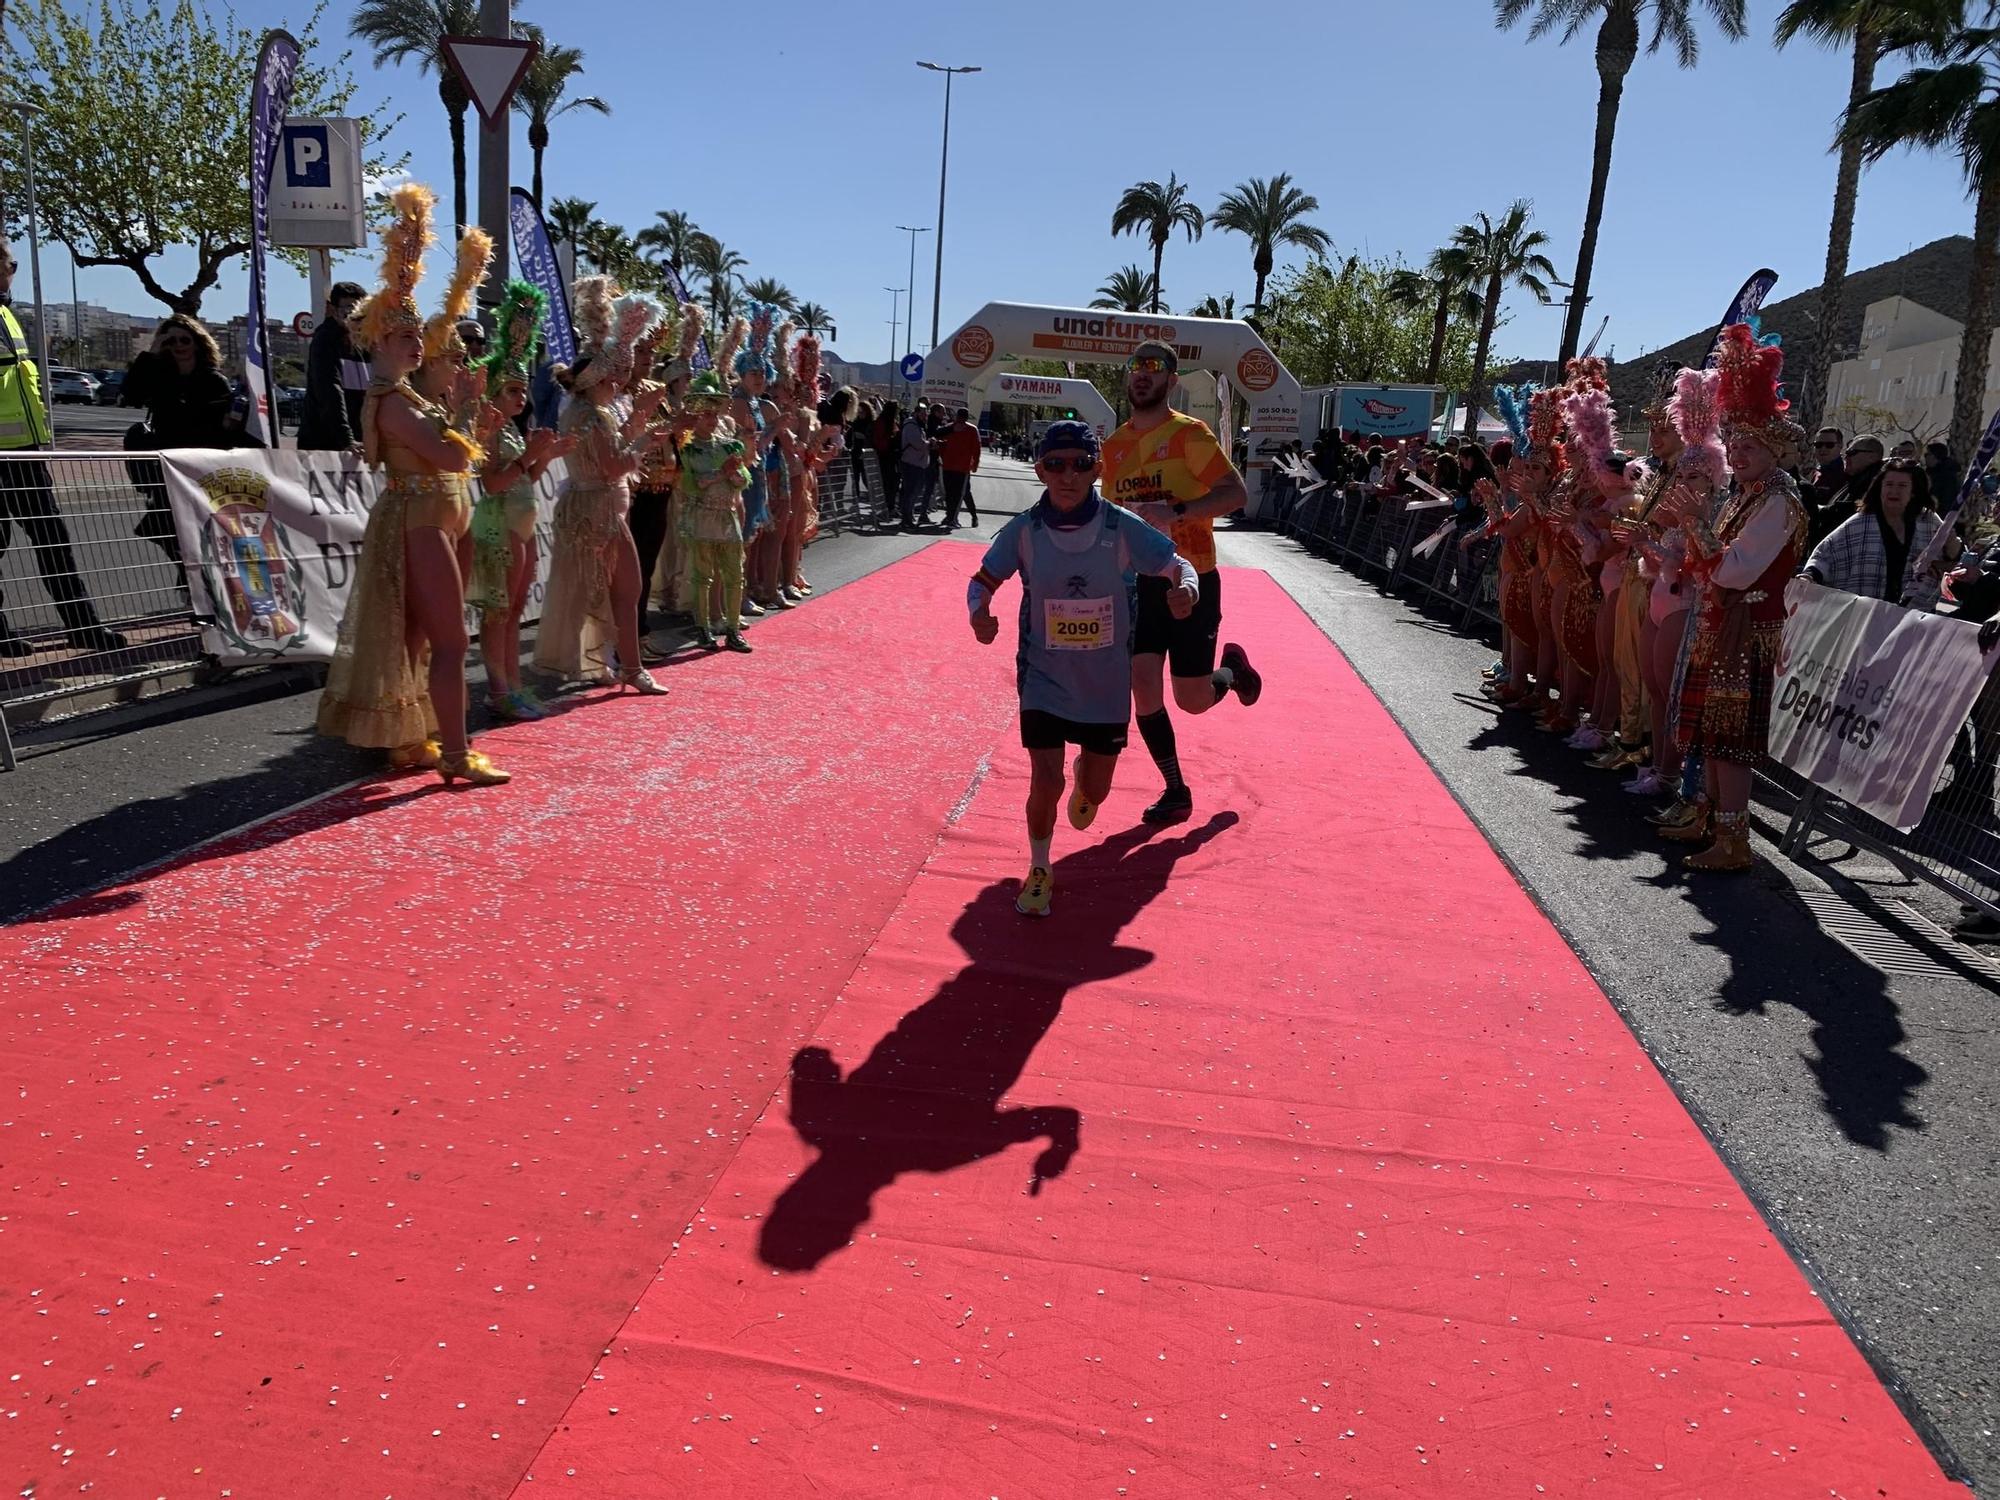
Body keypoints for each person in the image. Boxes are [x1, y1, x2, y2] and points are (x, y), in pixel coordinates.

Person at [967, 421, 1200, 917]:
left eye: (1078, 464)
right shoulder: (1025, 531)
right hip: (1044, 678)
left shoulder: (1119, 528)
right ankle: (1039, 867)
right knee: (1043, 782)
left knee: (1093, 791)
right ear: (1040, 471)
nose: (1067, 475)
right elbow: (983, 578)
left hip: (1105, 685)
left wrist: (1188, 590)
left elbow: (1179, 565)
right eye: (1055, 464)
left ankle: (1086, 776)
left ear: (1097, 468)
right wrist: (979, 612)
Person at [317, 188, 506, 785]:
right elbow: (450, 452)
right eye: (403, 337)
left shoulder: (412, 396)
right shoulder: (390, 400)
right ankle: (453, 753)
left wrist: (466, 412)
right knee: (450, 641)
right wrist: (472, 411)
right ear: (377, 340)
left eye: (415, 336)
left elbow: (454, 452)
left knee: (422, 640)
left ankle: (412, 738)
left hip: (440, 517)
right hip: (420, 520)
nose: (416, 344)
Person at [1099, 340, 1260, 825]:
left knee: (1190, 700)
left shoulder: (1190, 434)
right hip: (1140, 587)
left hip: (1193, 582)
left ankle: (1232, 673)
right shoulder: (1114, 447)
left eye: (1155, 367)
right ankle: (1176, 790)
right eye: (1136, 366)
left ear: (1171, 380)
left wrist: (1177, 512)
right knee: (1142, 684)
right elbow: (1109, 518)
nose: (1142, 374)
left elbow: (1236, 493)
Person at [1669, 324, 1811, 873]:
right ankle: (1712, 820)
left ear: (1773, 450)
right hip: (1723, 622)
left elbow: (1732, 571)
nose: (1740, 452)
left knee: (1731, 737)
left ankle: (1734, 839)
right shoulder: (1748, 496)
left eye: (1751, 445)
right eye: (1736, 444)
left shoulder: (1777, 500)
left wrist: (1696, 526)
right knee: (1713, 729)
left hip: (1746, 629)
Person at [534, 278, 670, 693]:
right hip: (598, 510)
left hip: (596, 507)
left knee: (600, 590)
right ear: (598, 379)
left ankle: (612, 662)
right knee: (624, 588)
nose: (620, 384)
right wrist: (645, 441)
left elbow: (613, 452)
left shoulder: (590, 412)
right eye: (614, 377)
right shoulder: (590, 415)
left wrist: (640, 424)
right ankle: (628, 666)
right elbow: (613, 466)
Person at [0, 242, 125, 657]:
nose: (12, 270)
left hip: (25, 452)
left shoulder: (6, 314)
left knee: (54, 540)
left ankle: (83, 626)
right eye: (9, 263)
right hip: (4, 454)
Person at [469, 280, 572, 721]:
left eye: (521, 389)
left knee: (513, 609)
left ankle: (512, 681)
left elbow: (525, 476)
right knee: (498, 611)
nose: (521, 396)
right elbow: (491, 484)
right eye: (511, 390)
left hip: (520, 525)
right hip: (497, 525)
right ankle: (498, 688)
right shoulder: (489, 428)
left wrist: (544, 457)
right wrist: (532, 456)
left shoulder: (510, 428)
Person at [121, 314, 233, 570]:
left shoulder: (213, 380)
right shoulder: (160, 375)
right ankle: (190, 579)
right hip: (166, 465)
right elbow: (131, 394)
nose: (179, 345)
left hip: (203, 468)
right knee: (165, 527)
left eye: (185, 339)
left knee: (202, 532)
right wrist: (151, 352)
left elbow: (224, 427)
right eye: (170, 341)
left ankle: (198, 584)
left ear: (197, 342)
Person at [1804, 457, 1956, 609]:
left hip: (1914, 617)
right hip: (1865, 612)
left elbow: (1954, 560)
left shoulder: (1929, 521)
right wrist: (1809, 576)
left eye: (1902, 485)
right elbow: (1826, 553)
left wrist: (1949, 553)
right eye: (1889, 484)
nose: (1894, 491)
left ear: (1913, 491)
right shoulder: (1861, 522)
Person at [676, 368, 755, 651]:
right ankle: (703, 628)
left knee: (735, 575)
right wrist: (723, 473)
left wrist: (734, 475)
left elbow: (744, 479)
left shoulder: (728, 446)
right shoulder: (686, 450)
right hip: (701, 518)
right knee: (702, 577)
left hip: (727, 517)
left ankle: (733, 630)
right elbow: (691, 484)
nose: (710, 419)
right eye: (704, 414)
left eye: (713, 414)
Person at [298, 280, 370, 451]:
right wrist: (346, 439)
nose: (353, 314)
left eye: (360, 309)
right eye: (348, 307)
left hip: (359, 443)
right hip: (325, 444)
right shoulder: (325, 340)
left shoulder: (366, 343)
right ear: (333, 309)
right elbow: (330, 390)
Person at [940, 407, 982, 529]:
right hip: (949, 466)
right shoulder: (950, 428)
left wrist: (974, 465)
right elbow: (943, 443)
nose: (960, 420)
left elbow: (976, 449)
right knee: (950, 493)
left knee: (961, 494)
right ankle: (950, 516)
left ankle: (957, 517)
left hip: (962, 468)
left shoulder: (972, 430)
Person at [899, 399, 934, 528]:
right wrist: (930, 443)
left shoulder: (918, 426)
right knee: (910, 492)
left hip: (918, 464)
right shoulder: (911, 426)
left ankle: (908, 516)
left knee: (914, 492)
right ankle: (906, 518)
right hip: (911, 463)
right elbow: (918, 444)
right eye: (924, 415)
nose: (926, 418)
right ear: (917, 414)